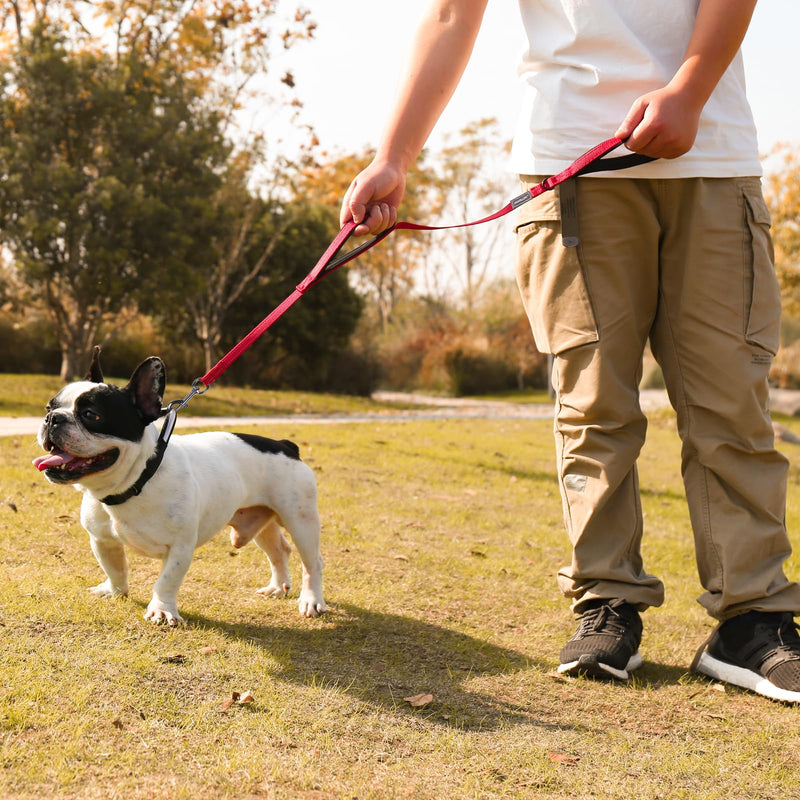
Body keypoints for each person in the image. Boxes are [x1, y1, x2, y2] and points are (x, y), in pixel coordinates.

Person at [339, 0, 800, 702]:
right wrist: (393, 157)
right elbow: (448, 16)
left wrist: (690, 90)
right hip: (571, 166)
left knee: (731, 403)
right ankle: (607, 602)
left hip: (710, 156)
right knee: (593, 404)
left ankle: (753, 620)